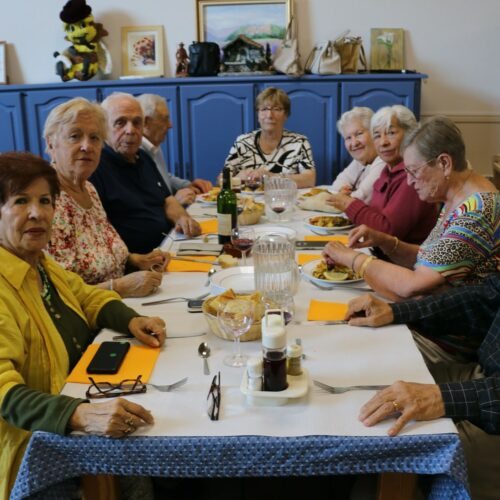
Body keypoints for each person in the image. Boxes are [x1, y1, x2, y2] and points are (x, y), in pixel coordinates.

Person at [0, 152, 167, 499]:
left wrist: (132, 319)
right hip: (34, 451)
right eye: (20, 201)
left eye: (45, 201)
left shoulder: (40, 263)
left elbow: (86, 296)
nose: (37, 213)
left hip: (81, 410)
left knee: (145, 461)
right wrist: (78, 415)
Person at [345, 275, 500, 500]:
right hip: (484, 375)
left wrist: (441, 398)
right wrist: (397, 312)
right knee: (371, 388)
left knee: (416, 446)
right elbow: (485, 298)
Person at [323, 116, 499, 302]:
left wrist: (351, 258)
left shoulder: (476, 211)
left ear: (444, 163)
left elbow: (414, 285)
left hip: (456, 324)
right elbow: (429, 260)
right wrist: (386, 242)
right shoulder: (456, 196)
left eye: (414, 171)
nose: (409, 181)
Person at [44, 97, 168, 298]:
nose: (87, 146)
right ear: (51, 143)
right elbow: (54, 294)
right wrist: (118, 287)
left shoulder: (89, 189)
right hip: (90, 320)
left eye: (94, 138)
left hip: (119, 302)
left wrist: (137, 260)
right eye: (75, 136)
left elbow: (104, 248)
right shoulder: (45, 200)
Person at [89, 92, 201, 254]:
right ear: (104, 128)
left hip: (169, 245)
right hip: (138, 261)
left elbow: (167, 200)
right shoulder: (96, 168)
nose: (130, 130)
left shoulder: (144, 158)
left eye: (136, 123)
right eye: (120, 123)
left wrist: (183, 218)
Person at [326, 105, 438, 244]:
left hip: (404, 262)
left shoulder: (411, 175)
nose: (383, 142)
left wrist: (348, 203)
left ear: (411, 135)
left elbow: (388, 231)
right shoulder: (388, 171)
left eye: (391, 133)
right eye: (377, 136)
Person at [223, 87, 316, 188]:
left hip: (285, 201)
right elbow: (222, 179)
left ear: (286, 115)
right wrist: (238, 178)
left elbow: (310, 180)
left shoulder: (299, 142)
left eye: (276, 109)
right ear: (258, 115)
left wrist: (271, 177)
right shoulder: (243, 142)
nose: (269, 115)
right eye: (264, 109)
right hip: (247, 202)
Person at [137, 93, 212, 206]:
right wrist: (175, 203)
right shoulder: (135, 153)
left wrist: (188, 185)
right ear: (146, 122)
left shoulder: (152, 145)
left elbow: (163, 177)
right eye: (165, 119)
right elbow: (143, 205)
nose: (170, 125)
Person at [332, 107, 385, 204]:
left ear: (374, 133)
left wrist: (344, 196)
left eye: (359, 134)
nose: (354, 143)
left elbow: (362, 197)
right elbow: (338, 182)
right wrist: (343, 189)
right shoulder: (361, 160)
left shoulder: (383, 161)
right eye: (348, 138)